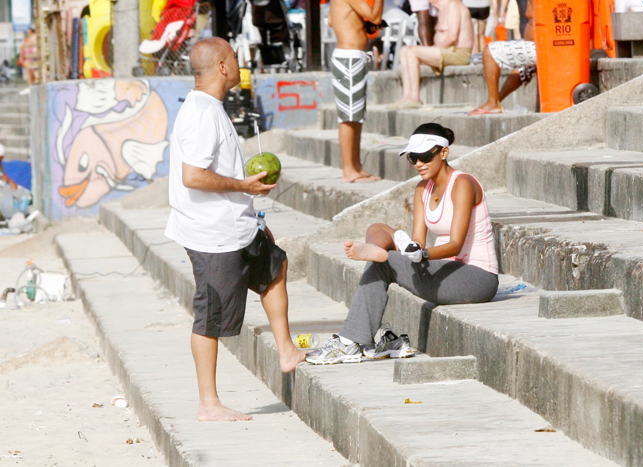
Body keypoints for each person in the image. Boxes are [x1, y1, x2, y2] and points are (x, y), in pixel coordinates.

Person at [164, 38, 305, 421]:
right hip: (212, 235)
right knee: (210, 316)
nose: (241, 65)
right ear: (223, 67)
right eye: (236, 59)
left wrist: (252, 215)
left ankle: (287, 350)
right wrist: (245, 187)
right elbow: (193, 176)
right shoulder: (200, 113)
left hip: (236, 226)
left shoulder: (211, 107)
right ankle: (208, 404)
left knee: (275, 267)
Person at [306, 123, 499, 364]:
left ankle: (351, 342)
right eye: (413, 157)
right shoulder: (422, 189)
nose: (418, 163)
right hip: (443, 268)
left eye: (425, 156)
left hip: (477, 279)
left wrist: (423, 254)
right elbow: (418, 239)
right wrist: (414, 248)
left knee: (384, 263)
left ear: (444, 153)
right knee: (377, 229)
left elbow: (456, 245)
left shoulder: (463, 183)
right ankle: (375, 253)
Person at [329, 0, 384, 182]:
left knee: (356, 116)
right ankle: (348, 170)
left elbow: (331, 20)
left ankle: (356, 165)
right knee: (348, 116)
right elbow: (375, 16)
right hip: (349, 59)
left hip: (353, 57)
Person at [389, 0, 474, 109]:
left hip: (457, 52)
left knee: (412, 51)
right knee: (404, 50)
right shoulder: (440, 9)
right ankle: (406, 96)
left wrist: (433, 49)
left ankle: (415, 98)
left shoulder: (453, 4)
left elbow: (452, 37)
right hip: (446, 51)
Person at [468, 0, 534, 115]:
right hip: (542, 49)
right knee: (522, 69)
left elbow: (531, 13)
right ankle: (497, 101)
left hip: (542, 47)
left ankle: (493, 103)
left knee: (490, 51)